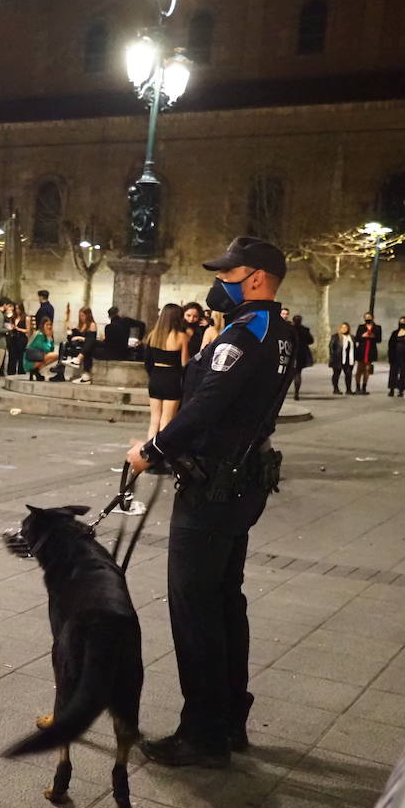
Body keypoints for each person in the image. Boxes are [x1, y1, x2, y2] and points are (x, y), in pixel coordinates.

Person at [126, 236, 295, 768]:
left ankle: (202, 733)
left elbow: (203, 409)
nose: (220, 281)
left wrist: (151, 449)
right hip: (242, 483)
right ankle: (228, 718)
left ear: (258, 278)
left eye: (230, 272)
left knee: (196, 609)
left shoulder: (244, 337)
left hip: (213, 489)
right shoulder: (282, 332)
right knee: (225, 601)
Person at [143, 302, 190, 438]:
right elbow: (184, 363)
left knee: (154, 420)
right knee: (167, 420)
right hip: (172, 378)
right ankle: (160, 454)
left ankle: (148, 452)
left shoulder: (153, 335)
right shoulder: (181, 337)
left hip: (156, 377)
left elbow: (147, 361)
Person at [63, 306, 98, 383]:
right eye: (80, 316)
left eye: (82, 316)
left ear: (87, 315)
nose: (81, 318)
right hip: (81, 346)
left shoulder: (92, 325)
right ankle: (60, 369)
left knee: (88, 347)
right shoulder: (82, 325)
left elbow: (91, 340)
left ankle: (79, 360)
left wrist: (80, 338)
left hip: (88, 347)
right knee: (64, 345)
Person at [353, 312, 382, 395]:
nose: (367, 319)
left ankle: (364, 387)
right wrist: (363, 336)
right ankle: (357, 387)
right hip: (361, 349)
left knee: (367, 369)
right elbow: (357, 338)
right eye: (366, 317)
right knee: (359, 369)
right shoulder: (361, 327)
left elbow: (379, 340)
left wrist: (373, 336)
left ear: (373, 318)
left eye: (369, 317)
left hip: (371, 350)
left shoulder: (377, 328)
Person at [386, 315, 405, 398]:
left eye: (403, 322)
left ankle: (401, 390)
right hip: (395, 355)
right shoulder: (395, 333)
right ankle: (391, 389)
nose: (402, 324)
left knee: (403, 373)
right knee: (393, 372)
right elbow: (390, 344)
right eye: (400, 322)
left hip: (404, 356)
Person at [291, 314, 315, 401]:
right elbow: (311, 340)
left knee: (289, 374)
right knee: (298, 373)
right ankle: (296, 392)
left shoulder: (290, 329)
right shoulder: (305, 330)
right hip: (301, 354)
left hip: (291, 353)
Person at [4, 302, 29, 376]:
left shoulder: (25, 318)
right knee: (12, 356)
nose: (17, 310)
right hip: (13, 338)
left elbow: (27, 330)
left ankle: (21, 372)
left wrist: (18, 329)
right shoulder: (13, 317)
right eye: (16, 309)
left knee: (21, 356)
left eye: (19, 309)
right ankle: (11, 372)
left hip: (21, 338)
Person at [329, 322, 354, 395]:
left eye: (345, 327)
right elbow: (331, 347)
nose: (344, 329)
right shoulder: (335, 336)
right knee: (336, 374)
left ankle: (348, 389)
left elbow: (354, 347)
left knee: (348, 374)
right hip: (338, 359)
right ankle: (335, 389)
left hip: (348, 359)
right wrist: (333, 356)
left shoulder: (351, 337)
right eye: (342, 327)